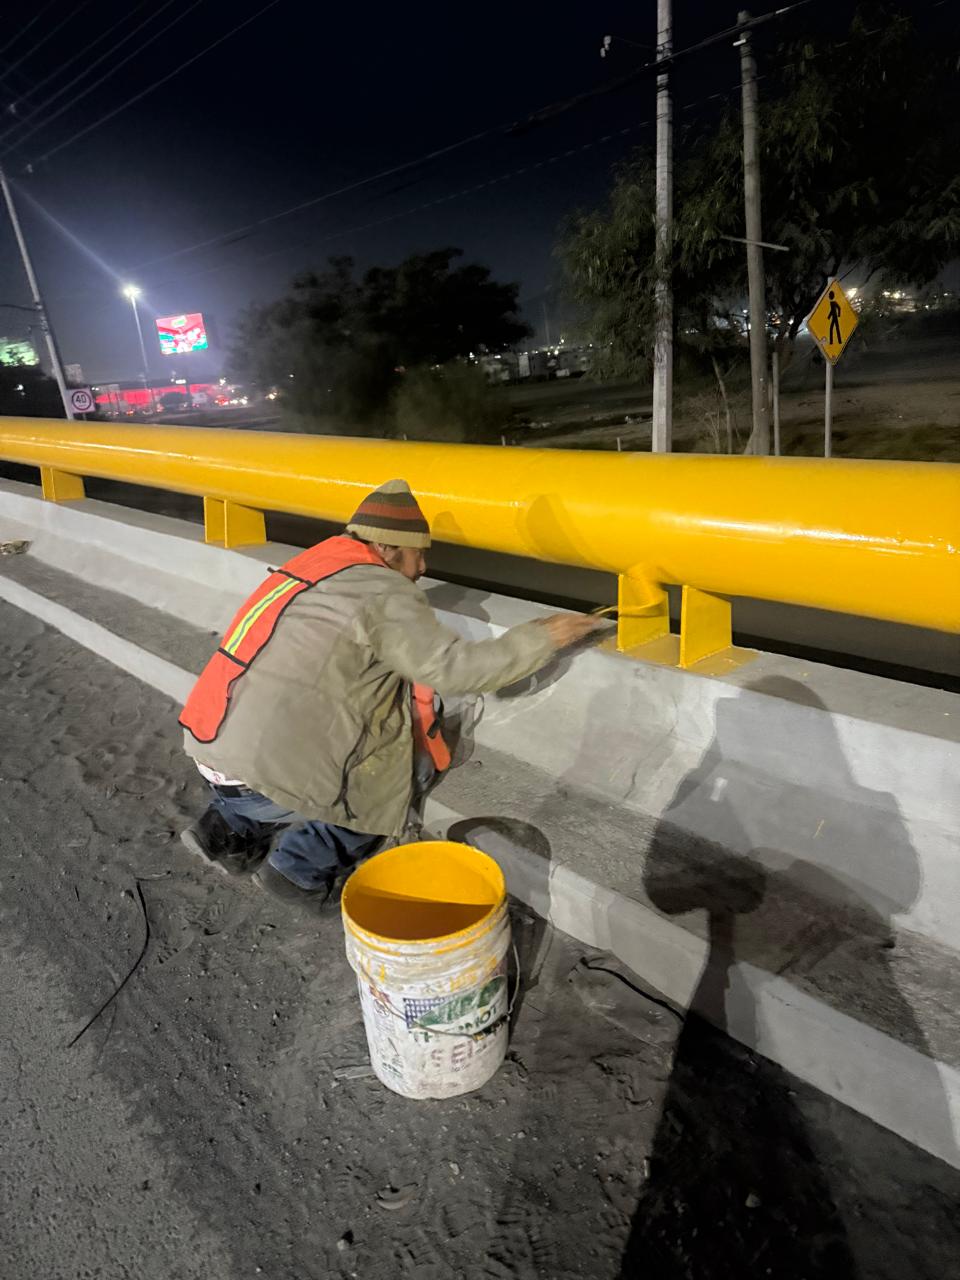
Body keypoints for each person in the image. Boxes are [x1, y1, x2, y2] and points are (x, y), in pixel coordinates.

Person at [178, 478, 600, 907]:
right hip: (259, 783)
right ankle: (298, 871)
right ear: (388, 549)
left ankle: (227, 835)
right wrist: (543, 638)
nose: (423, 569)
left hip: (210, 750)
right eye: (420, 554)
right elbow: (456, 670)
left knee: (272, 756)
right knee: (395, 781)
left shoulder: (316, 562)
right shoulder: (382, 590)